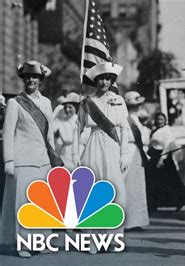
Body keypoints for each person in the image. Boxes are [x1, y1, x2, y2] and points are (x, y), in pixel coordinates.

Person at [1, 60, 57, 258]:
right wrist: (9, 160)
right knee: (24, 203)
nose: (31, 80)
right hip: (23, 160)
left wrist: (54, 158)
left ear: (40, 80)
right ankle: (23, 244)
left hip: (43, 160)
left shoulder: (47, 103)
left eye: (34, 76)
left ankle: (41, 241)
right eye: (27, 77)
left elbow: (49, 134)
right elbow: (8, 134)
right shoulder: (15, 103)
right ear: (23, 80)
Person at [78, 61, 130, 254]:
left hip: (112, 146)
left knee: (116, 191)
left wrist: (124, 153)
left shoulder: (118, 100)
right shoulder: (87, 101)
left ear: (111, 80)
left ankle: (112, 237)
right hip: (93, 145)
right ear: (95, 81)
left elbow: (124, 129)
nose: (104, 82)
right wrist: (77, 152)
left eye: (107, 79)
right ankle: (92, 240)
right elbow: (79, 128)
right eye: (100, 79)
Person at [148, 112, 185, 211]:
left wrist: (162, 159)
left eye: (161, 119)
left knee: (171, 181)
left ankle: (180, 201)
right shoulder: (155, 130)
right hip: (154, 156)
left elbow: (168, 145)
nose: (159, 121)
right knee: (156, 182)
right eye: (158, 119)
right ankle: (155, 203)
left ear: (165, 120)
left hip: (164, 158)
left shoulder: (167, 130)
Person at [123, 91, 150, 231]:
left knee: (138, 187)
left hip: (138, 153)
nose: (138, 106)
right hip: (128, 152)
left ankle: (136, 220)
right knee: (128, 187)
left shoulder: (137, 118)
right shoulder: (124, 118)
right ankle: (127, 221)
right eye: (135, 104)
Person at [52, 92, 81, 170]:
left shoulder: (81, 121)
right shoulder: (61, 121)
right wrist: (56, 111)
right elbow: (51, 128)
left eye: (70, 107)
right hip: (65, 153)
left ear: (76, 107)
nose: (67, 110)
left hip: (80, 152)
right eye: (65, 107)